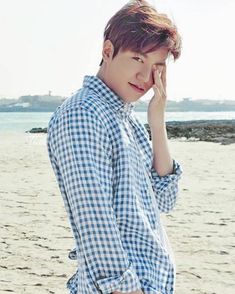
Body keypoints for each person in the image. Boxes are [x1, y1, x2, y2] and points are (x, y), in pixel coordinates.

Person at [47, 0, 182, 293]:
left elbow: (165, 199)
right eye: (138, 60)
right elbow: (95, 221)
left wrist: (157, 121)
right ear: (108, 51)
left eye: (156, 67)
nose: (146, 79)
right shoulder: (84, 114)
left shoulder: (126, 120)